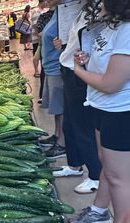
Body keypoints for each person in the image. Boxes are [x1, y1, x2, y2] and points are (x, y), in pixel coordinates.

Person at [72, 0, 130, 223]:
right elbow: (105, 67)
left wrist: (78, 70)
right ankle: (100, 211)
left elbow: (111, 83)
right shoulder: (112, 26)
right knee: (107, 165)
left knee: (120, 177)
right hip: (103, 108)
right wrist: (86, 60)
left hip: (121, 112)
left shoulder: (127, 30)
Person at [51, 1, 102, 195]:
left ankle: (96, 175)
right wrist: (63, 43)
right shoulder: (81, 8)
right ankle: (74, 165)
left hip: (80, 72)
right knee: (70, 123)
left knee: (82, 126)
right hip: (69, 69)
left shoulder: (99, 9)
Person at [38, 0, 67, 159]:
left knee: (60, 106)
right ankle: (57, 135)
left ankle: (62, 144)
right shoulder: (58, 10)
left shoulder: (68, 8)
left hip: (57, 66)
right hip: (50, 66)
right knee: (56, 108)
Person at [31, 0, 47, 77]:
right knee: (36, 55)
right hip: (37, 39)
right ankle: (36, 70)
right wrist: (39, 37)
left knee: (41, 55)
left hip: (42, 38)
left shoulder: (44, 10)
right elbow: (35, 26)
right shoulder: (35, 11)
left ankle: (42, 69)